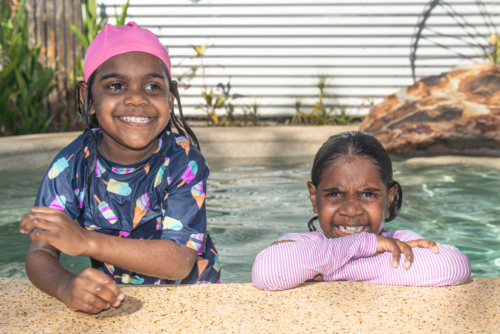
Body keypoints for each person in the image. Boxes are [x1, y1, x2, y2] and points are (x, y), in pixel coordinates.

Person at [19, 22, 220, 313]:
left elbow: (178, 262)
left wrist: (85, 241)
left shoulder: (183, 160)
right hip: (117, 299)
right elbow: (39, 252)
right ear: (87, 99)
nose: (137, 98)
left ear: (170, 98)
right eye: (116, 85)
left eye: (153, 86)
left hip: (192, 297)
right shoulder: (71, 164)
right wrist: (66, 286)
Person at [252, 131, 471, 291]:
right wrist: (367, 244)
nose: (351, 210)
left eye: (368, 194)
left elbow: (453, 266)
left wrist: (332, 269)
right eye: (334, 194)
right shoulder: (299, 242)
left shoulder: (399, 240)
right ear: (314, 197)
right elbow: (268, 272)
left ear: (389, 198)